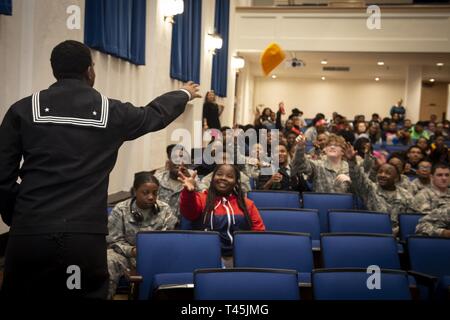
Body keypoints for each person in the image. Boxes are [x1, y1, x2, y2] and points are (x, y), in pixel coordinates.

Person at [0, 40, 200, 298]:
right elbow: (154, 115)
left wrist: (17, 215)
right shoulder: (111, 112)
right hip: (84, 239)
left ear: (54, 71)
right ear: (89, 71)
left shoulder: (22, 110)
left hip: (30, 234)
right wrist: (183, 93)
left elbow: (2, 178)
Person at [106, 172, 177, 299]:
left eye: (154, 193)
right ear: (134, 192)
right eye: (145, 192)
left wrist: (151, 252)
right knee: (108, 259)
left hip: (156, 256)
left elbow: (169, 239)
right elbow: (113, 241)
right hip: (127, 256)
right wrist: (132, 251)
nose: (151, 197)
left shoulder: (165, 209)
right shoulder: (120, 210)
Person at [178, 164, 265, 265]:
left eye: (230, 176)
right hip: (205, 255)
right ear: (213, 177)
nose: (223, 178)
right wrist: (189, 193)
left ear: (236, 182)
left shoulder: (247, 204)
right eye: (219, 174)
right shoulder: (201, 198)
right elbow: (189, 214)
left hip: (240, 257)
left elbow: (258, 232)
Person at [345, 144, 415, 235]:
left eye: (388, 173)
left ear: (396, 177)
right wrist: (351, 161)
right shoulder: (371, 189)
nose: (382, 175)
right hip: (372, 232)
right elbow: (358, 178)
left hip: (397, 236)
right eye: (380, 172)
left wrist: (397, 232)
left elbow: (409, 221)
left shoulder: (406, 196)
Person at [154, 145, 202, 220]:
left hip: (185, 225)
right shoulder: (158, 178)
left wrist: (192, 184)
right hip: (161, 224)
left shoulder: (193, 176)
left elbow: (202, 200)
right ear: (169, 161)